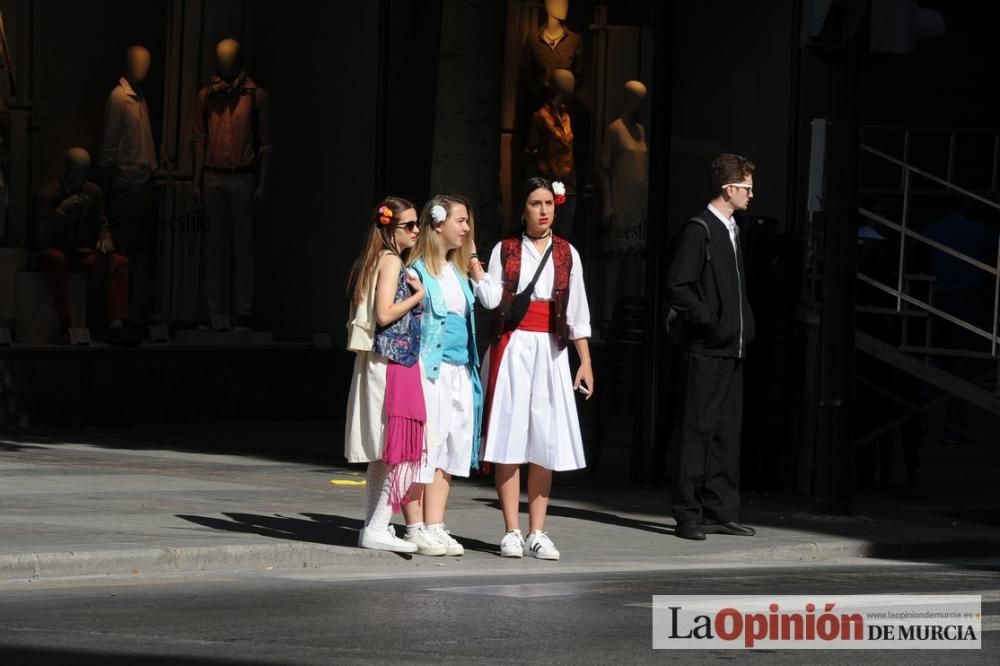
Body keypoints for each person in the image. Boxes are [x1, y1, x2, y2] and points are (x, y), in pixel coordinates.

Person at [471, 176, 594, 560]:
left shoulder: (567, 253)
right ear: (522, 209)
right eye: (536, 203)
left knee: (545, 438)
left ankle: (537, 531)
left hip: (551, 350)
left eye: (548, 204)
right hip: (513, 348)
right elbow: (492, 299)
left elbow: (577, 312)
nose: (544, 211)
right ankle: (510, 530)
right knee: (509, 433)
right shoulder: (505, 250)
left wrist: (584, 361)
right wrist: (476, 271)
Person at [664, 153, 756, 541]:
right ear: (729, 188)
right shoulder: (699, 229)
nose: (752, 195)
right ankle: (688, 512)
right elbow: (678, 286)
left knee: (725, 430)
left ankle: (720, 508)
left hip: (730, 347)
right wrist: (710, 320)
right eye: (748, 188)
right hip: (707, 346)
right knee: (697, 429)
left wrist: (742, 326)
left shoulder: (733, 229)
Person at [403, 195, 484, 557]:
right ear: (438, 224)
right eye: (461, 221)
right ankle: (414, 525)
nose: (466, 228)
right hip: (429, 368)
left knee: (451, 445)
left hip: (459, 368)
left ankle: (435, 524)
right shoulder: (418, 269)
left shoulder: (459, 269)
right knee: (424, 447)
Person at [344, 197, 425, 553]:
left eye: (417, 223)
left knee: (383, 451)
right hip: (390, 362)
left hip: (381, 361)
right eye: (409, 225)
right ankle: (377, 525)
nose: (416, 230)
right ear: (391, 228)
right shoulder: (391, 260)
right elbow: (384, 313)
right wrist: (418, 295)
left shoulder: (377, 258)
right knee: (392, 448)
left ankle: (375, 525)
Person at [191, 38, 274, 331]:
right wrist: (197, 180)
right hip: (213, 175)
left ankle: (243, 312)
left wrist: (262, 183)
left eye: (230, 57)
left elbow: (265, 144)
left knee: (243, 246)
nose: (224, 63)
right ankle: (214, 311)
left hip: (242, 176)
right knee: (213, 246)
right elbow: (200, 138)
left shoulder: (255, 96)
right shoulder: (206, 96)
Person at [34, 147, 137, 346]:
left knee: (119, 262)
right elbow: (41, 238)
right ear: (68, 171)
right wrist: (61, 210)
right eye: (77, 173)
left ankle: (117, 324)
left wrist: (105, 239)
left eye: (85, 173)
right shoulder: (46, 195)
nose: (81, 179)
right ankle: (67, 325)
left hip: (81, 254)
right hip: (56, 251)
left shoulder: (92, 191)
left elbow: (102, 223)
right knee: (55, 258)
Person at [921, 197, 999, 440]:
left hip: (941, 299)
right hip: (967, 299)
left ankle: (920, 410)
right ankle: (952, 425)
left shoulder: (932, 230)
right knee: (962, 362)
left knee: (940, 359)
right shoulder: (974, 229)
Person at [99, 45, 159, 325]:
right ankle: (119, 318)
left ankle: (135, 316)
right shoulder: (119, 98)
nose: (142, 68)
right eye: (138, 62)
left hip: (142, 184)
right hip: (126, 186)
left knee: (140, 254)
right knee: (123, 254)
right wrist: (109, 183)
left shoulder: (139, 99)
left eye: (146, 63)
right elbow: (109, 147)